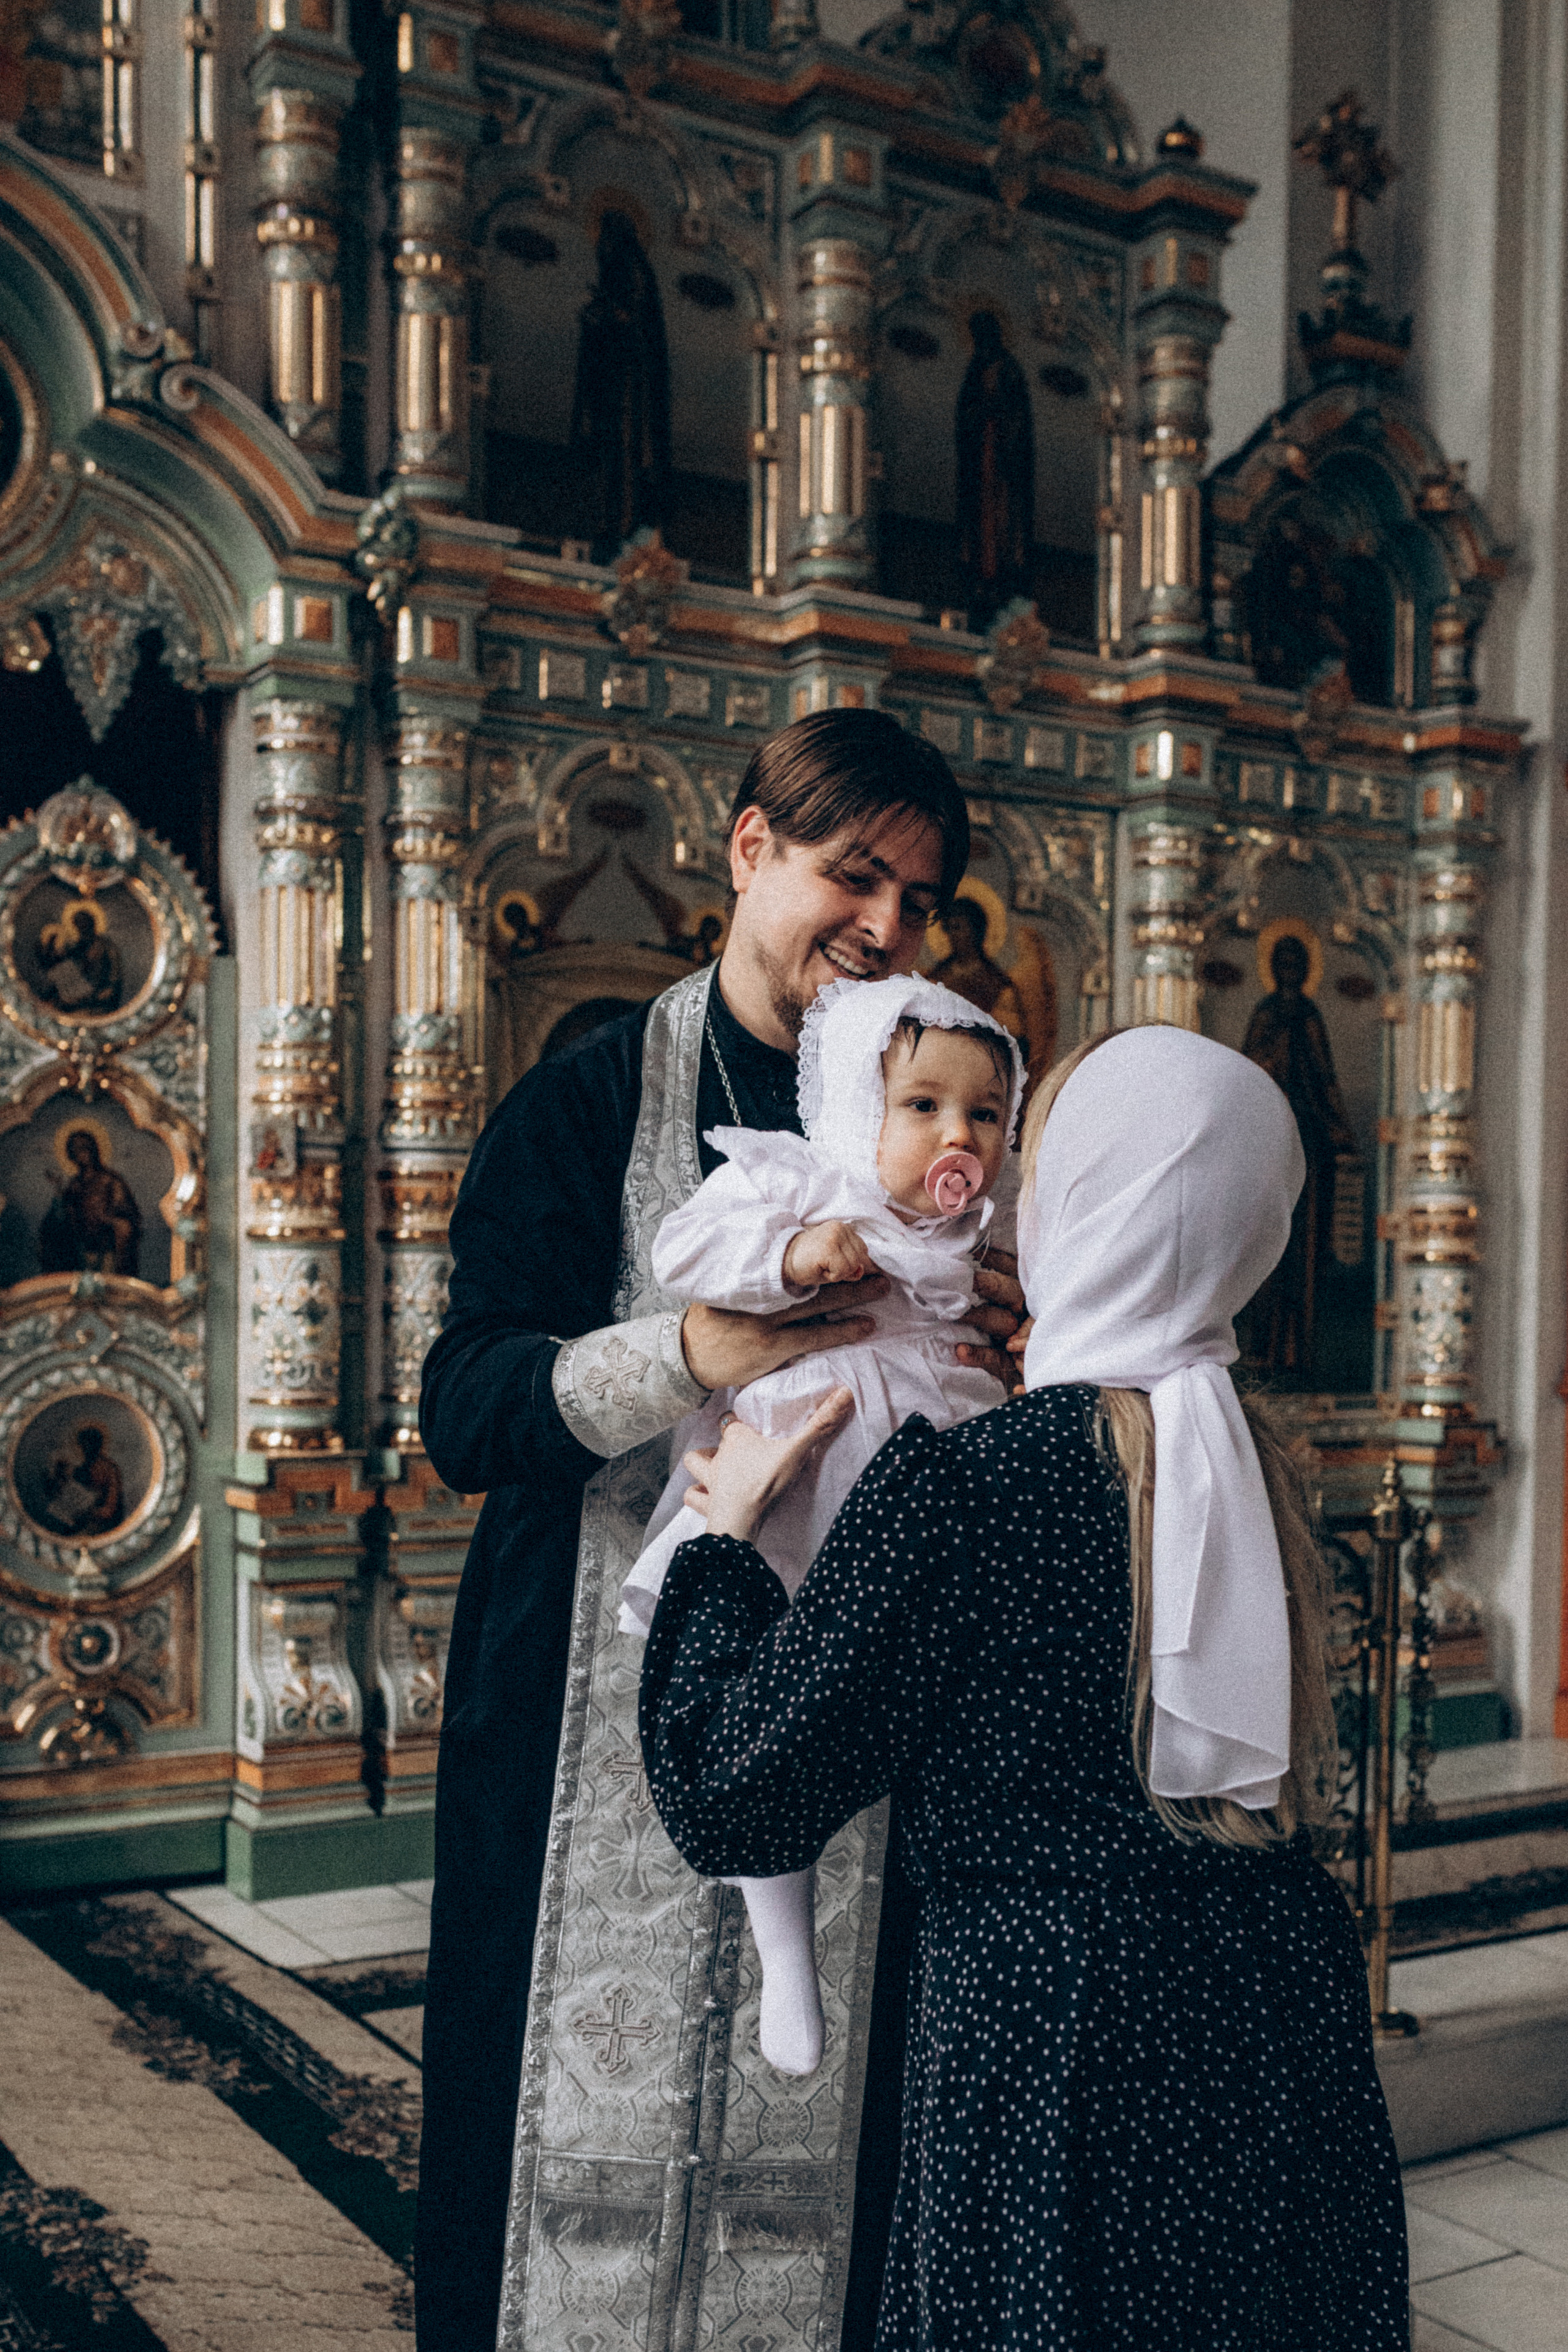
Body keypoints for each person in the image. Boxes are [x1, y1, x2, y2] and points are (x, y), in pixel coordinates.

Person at [640, 1023, 1408, 2349]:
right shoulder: (1255, 1472)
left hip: (1049, 2036)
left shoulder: (964, 1486)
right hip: (1275, 2018)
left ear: (1081, 1210)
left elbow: (731, 1793)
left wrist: (723, 1543)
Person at [416, 709, 1025, 2352]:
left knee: (822, 2156)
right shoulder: (586, 1097)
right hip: (583, 1709)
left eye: (917, 900)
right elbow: (464, 1408)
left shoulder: (937, 1112)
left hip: (843, 1708)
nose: (885, 926)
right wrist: (694, 1347)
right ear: (751, 849)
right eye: (852, 875)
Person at [620, 974, 1024, 2075]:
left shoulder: (988, 1227)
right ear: (856, 1107)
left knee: (940, 1707)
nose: (959, 1137)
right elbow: (682, 1255)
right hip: (807, 1469)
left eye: (985, 1113)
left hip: (932, 1481)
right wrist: (795, 1256)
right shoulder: (804, 1177)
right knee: (773, 1723)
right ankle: (784, 1953)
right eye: (924, 1106)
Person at [1242, 929, 1361, 1379]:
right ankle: (1264, 1349)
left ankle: (1298, 1351)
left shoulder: (1309, 1016)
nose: (1290, 971)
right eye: (1283, 963)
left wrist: (1340, 1132)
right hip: (1266, 1144)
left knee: (1305, 1253)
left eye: (1297, 964)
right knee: (1264, 1248)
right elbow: (1248, 1072)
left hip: (1309, 1145)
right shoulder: (1265, 1015)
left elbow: (1325, 1079)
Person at [39, 1128, 140, 1277]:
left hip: (107, 1246)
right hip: (81, 1248)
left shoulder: (111, 1181)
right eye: (76, 1150)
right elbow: (64, 1215)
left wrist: (106, 1219)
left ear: (94, 1150)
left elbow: (126, 1213)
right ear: (71, 1155)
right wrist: (59, 1192)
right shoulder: (74, 1185)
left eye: (85, 1148)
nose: (82, 1154)